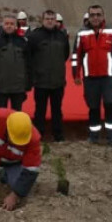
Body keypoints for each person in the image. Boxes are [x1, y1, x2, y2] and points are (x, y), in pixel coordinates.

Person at [72, 5, 112, 147]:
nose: (95, 17)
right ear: (88, 17)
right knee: (93, 107)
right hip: (90, 78)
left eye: (98, 14)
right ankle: (94, 136)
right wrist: (75, 74)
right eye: (92, 15)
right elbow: (76, 55)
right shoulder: (81, 34)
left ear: (103, 16)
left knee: (110, 105)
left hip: (108, 77)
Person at [26, 9, 70, 141]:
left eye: (52, 19)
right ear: (42, 20)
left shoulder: (62, 36)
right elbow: (29, 56)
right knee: (40, 111)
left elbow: (65, 55)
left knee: (57, 110)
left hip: (58, 81)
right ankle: (38, 135)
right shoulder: (35, 36)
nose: (50, 21)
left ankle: (58, 135)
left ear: (56, 20)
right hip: (41, 81)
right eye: (47, 19)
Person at [0, 13, 30, 110]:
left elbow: (28, 65)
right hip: (1, 88)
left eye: (12, 24)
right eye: (6, 23)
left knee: (17, 116)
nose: (9, 26)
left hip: (18, 88)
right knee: (1, 116)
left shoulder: (23, 42)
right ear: (2, 25)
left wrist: (28, 84)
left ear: (16, 26)